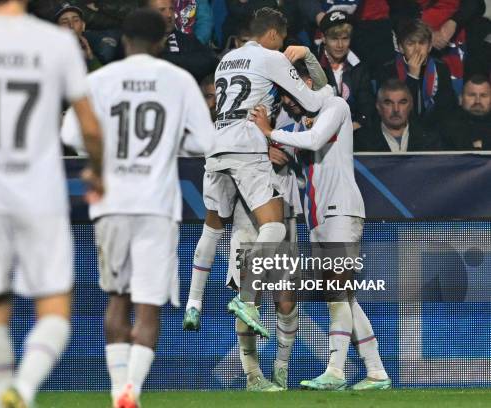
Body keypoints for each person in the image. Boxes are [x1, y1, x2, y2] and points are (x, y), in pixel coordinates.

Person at [0, 1, 103, 407]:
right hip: (39, 191)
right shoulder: (57, 42)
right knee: (54, 309)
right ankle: (23, 388)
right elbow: (88, 124)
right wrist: (99, 171)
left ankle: (1, 398)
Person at [82, 8, 213, 408]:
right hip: (156, 206)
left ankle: (115, 392)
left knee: (117, 301)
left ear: (123, 40)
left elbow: (71, 130)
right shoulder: (178, 80)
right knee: (148, 307)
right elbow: (207, 141)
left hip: (111, 205)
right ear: (161, 43)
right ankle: (131, 392)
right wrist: (171, 144)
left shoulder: (100, 79)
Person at [188, 7, 330, 340]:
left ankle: (193, 302)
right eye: (281, 39)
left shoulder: (227, 58)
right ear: (271, 35)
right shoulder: (271, 57)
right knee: (275, 225)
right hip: (245, 148)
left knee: (212, 227)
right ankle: (247, 297)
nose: (282, 46)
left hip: (216, 146)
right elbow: (310, 101)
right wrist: (328, 92)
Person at [250, 60, 391, 392]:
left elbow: (313, 141)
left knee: (336, 293)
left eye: (293, 87)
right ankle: (377, 372)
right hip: (318, 220)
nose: (288, 99)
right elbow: (282, 146)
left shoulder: (336, 106)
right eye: (284, 93)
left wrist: (270, 132)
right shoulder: (298, 126)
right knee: (346, 297)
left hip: (341, 211)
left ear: (309, 82)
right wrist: (267, 144)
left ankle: (336, 370)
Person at [379, 18, 457, 131]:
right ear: (401, 48)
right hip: (400, 128)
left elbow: (447, 107)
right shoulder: (387, 69)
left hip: (434, 128)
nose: (417, 49)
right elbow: (393, 109)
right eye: (410, 44)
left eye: (422, 43)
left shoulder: (441, 67)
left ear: (430, 47)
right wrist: (412, 77)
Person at [316, 10, 375, 135]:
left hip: (354, 132)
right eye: (334, 39)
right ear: (323, 38)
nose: (340, 45)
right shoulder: (313, 65)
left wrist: (351, 128)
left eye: (345, 38)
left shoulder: (359, 67)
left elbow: (366, 107)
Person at [355, 78, 441, 152]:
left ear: (411, 105)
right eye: (388, 103)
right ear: (378, 107)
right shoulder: (360, 141)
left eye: (402, 102)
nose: (396, 109)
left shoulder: (430, 139)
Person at [145, 0, 218, 81]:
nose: (169, 15)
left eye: (171, 9)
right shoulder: (141, 41)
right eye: (162, 10)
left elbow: (210, 61)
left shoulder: (187, 40)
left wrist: (169, 59)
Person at [441, 74, 491, 150]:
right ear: (460, 99)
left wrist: (483, 144)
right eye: (472, 95)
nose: (477, 101)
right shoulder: (447, 125)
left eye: (483, 95)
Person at [54, 1, 102, 72]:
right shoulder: (50, 55)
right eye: (64, 22)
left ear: (83, 26)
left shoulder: (91, 54)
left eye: (76, 20)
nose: (71, 25)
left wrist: (90, 57)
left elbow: (102, 80)